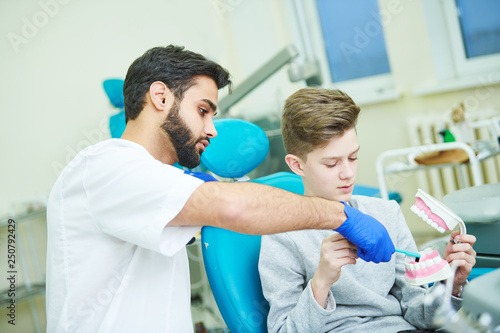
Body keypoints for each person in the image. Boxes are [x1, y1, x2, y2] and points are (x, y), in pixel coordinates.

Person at [45, 46, 395, 333]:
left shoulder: (156, 181)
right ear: (159, 97)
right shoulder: (106, 166)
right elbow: (234, 208)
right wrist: (342, 216)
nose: (212, 130)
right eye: (203, 111)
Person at [258, 88, 477, 333]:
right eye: (332, 163)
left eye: (353, 158)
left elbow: (420, 315)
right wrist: (321, 282)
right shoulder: (281, 237)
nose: (348, 173)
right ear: (297, 165)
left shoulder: (385, 213)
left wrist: (451, 285)